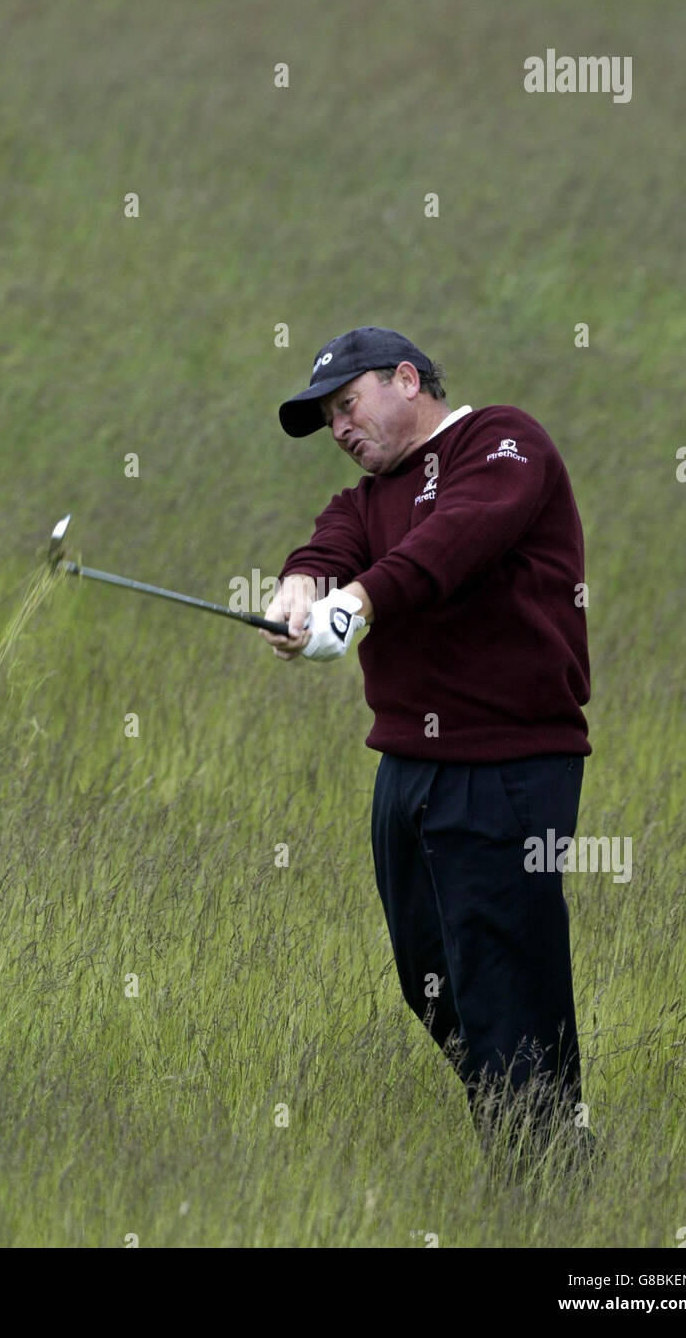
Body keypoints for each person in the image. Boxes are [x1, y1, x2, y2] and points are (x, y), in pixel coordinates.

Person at [260, 326, 595, 1177]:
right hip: (406, 768)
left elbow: (455, 541)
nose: (339, 427)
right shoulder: (363, 500)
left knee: (502, 979)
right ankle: (546, 1146)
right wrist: (300, 593)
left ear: (406, 380)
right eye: (327, 418)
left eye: (347, 404)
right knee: (432, 979)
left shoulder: (502, 442)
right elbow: (324, 549)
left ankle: (543, 1178)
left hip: (509, 764)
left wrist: (360, 603)